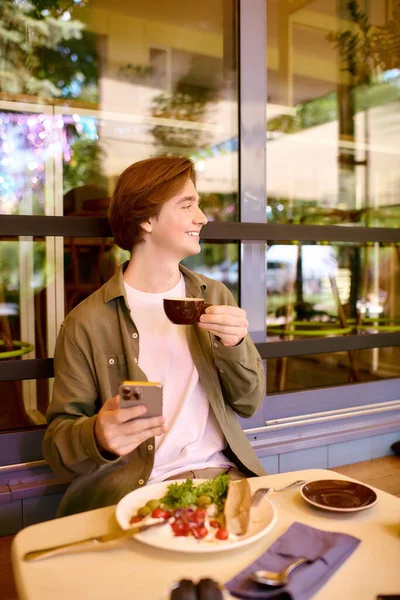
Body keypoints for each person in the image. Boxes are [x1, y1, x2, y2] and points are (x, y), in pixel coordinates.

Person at [43, 156, 266, 516]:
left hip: (221, 478)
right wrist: (98, 435)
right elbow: (57, 446)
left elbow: (250, 403)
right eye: (187, 205)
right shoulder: (86, 323)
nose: (203, 217)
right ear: (146, 219)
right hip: (132, 494)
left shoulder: (215, 297)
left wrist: (235, 346)